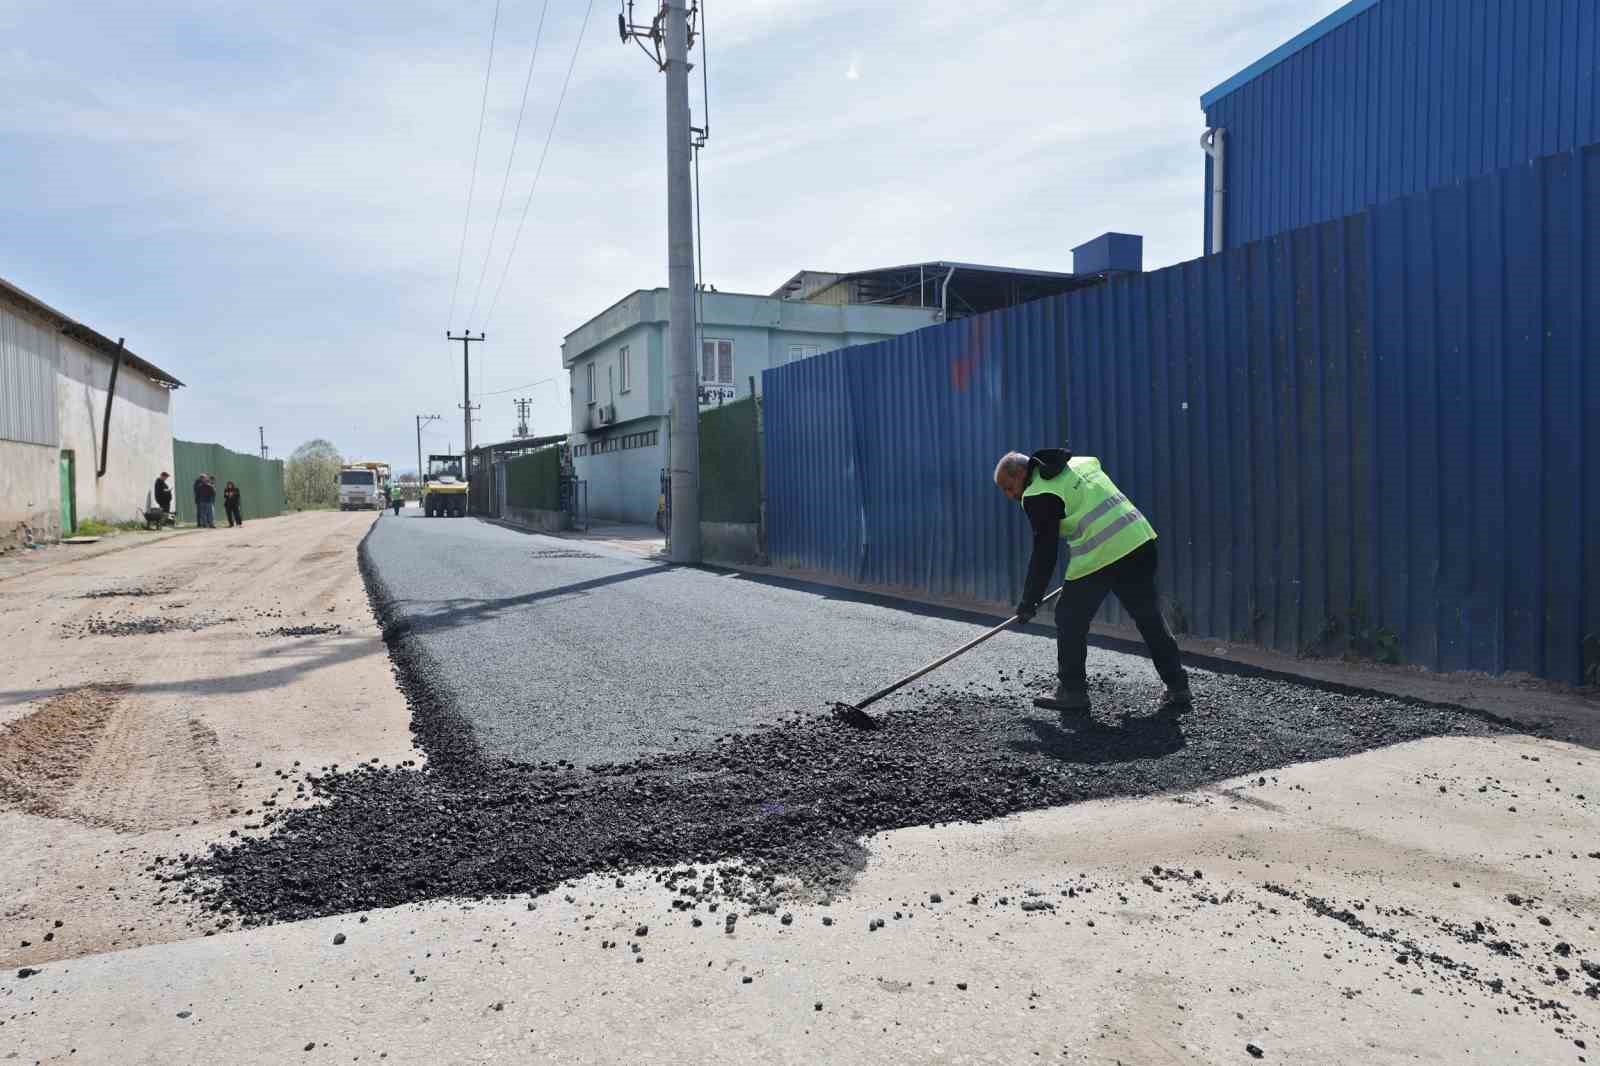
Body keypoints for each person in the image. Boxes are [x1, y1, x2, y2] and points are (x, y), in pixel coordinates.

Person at [993, 448, 1190, 715]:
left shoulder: (1037, 494)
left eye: (1008, 487)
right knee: (1148, 616)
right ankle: (1178, 686)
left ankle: (1072, 691)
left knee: (1069, 617)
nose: (1010, 495)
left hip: (1102, 554)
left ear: (1020, 473)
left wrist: (1029, 600)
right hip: (1139, 541)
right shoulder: (1080, 462)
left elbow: (1045, 552)